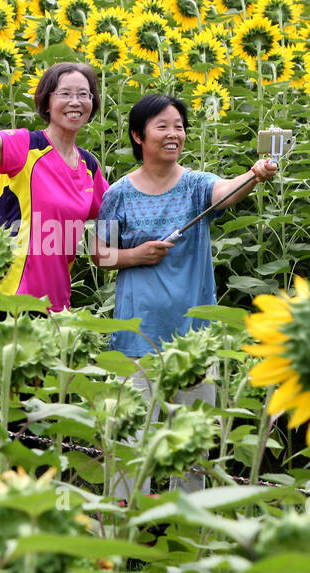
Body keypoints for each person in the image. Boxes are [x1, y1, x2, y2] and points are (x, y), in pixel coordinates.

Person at [96, 94, 276, 497]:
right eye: (162, 126)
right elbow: (101, 254)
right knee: (127, 440)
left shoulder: (196, 185)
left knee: (193, 445)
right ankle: (121, 532)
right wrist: (135, 255)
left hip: (193, 338)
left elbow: (226, 192)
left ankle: (187, 533)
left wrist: (252, 174)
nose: (173, 133)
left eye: (178, 125)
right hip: (137, 336)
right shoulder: (118, 194)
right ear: (138, 136)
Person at [0, 63, 108, 312]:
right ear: (46, 103)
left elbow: (116, 207)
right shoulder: (26, 145)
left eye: (84, 94)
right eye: (65, 94)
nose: (75, 102)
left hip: (55, 304)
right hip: (8, 298)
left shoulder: (89, 165)